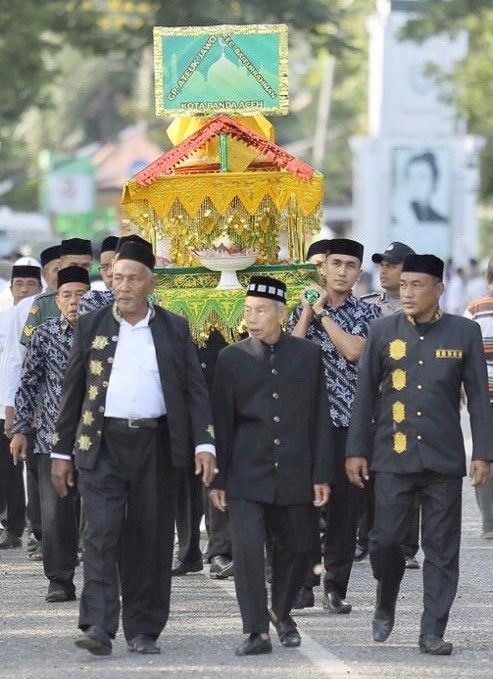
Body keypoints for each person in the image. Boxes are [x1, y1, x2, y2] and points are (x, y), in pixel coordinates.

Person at [50, 241, 216, 656]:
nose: (122, 286)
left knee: (151, 536)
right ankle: (99, 626)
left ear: (150, 283)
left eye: (131, 279)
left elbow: (194, 389)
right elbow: (72, 392)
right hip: (101, 443)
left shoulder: (174, 327)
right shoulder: (92, 325)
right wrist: (60, 451)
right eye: (116, 277)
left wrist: (204, 442)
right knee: (101, 532)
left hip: (156, 445)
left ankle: (145, 627)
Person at [346, 254, 493, 655]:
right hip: (392, 457)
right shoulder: (381, 330)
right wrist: (356, 450)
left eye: (417, 285)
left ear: (439, 289)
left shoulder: (463, 333)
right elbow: (363, 399)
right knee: (385, 541)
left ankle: (432, 630)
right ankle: (386, 596)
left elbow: (480, 399)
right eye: (404, 284)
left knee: (442, 548)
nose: (407, 292)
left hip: (443, 459)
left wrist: (483, 453)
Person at [211, 275, 333, 656]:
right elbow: (222, 423)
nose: (252, 318)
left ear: (281, 314)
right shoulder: (231, 358)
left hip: (295, 470)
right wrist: (217, 479)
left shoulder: (308, 355)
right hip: (246, 473)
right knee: (246, 552)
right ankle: (255, 631)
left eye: (261, 311)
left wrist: (321, 474)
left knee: (298, 548)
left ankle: (280, 612)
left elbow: (320, 418)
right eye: (247, 311)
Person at [288, 238, 381, 613]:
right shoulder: (299, 310)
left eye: (349, 265)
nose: (342, 271)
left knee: (345, 509)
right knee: (305, 506)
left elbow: (354, 351)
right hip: (309, 423)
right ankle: (304, 582)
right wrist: (309, 311)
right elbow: (289, 355)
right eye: (335, 264)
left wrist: (324, 316)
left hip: (351, 424)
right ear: (321, 268)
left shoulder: (368, 314)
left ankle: (335, 586)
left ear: (358, 273)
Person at [10, 267, 90, 601]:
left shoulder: (104, 334)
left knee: (96, 508)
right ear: (56, 301)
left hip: (96, 435)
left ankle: (104, 579)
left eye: (81, 295)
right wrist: (20, 430)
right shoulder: (43, 334)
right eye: (67, 296)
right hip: (51, 436)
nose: (74, 302)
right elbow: (28, 384)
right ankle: (60, 579)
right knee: (55, 512)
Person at [358, 241, 421, 569]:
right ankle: (368, 535)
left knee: (409, 468)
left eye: (391, 265)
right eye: (381, 264)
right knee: (370, 466)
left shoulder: (421, 311)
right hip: (377, 397)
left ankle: (408, 546)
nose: (383, 270)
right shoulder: (368, 307)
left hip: (410, 399)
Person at [0, 264, 42, 549]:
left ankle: (34, 526)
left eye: (30, 284)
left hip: (28, 401)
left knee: (32, 466)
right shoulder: (6, 318)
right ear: (11, 287)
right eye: (19, 284)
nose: (24, 289)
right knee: (7, 467)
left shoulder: (37, 315)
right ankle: (12, 525)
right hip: (5, 400)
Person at [464, 256, 493, 539]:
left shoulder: (475, 310)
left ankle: (488, 523)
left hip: (484, 396)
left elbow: (460, 351)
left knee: (485, 454)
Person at [21, 237, 93, 345]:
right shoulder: (43, 304)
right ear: (60, 266)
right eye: (73, 265)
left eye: (85, 266)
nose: (79, 270)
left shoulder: (101, 301)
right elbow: (30, 350)